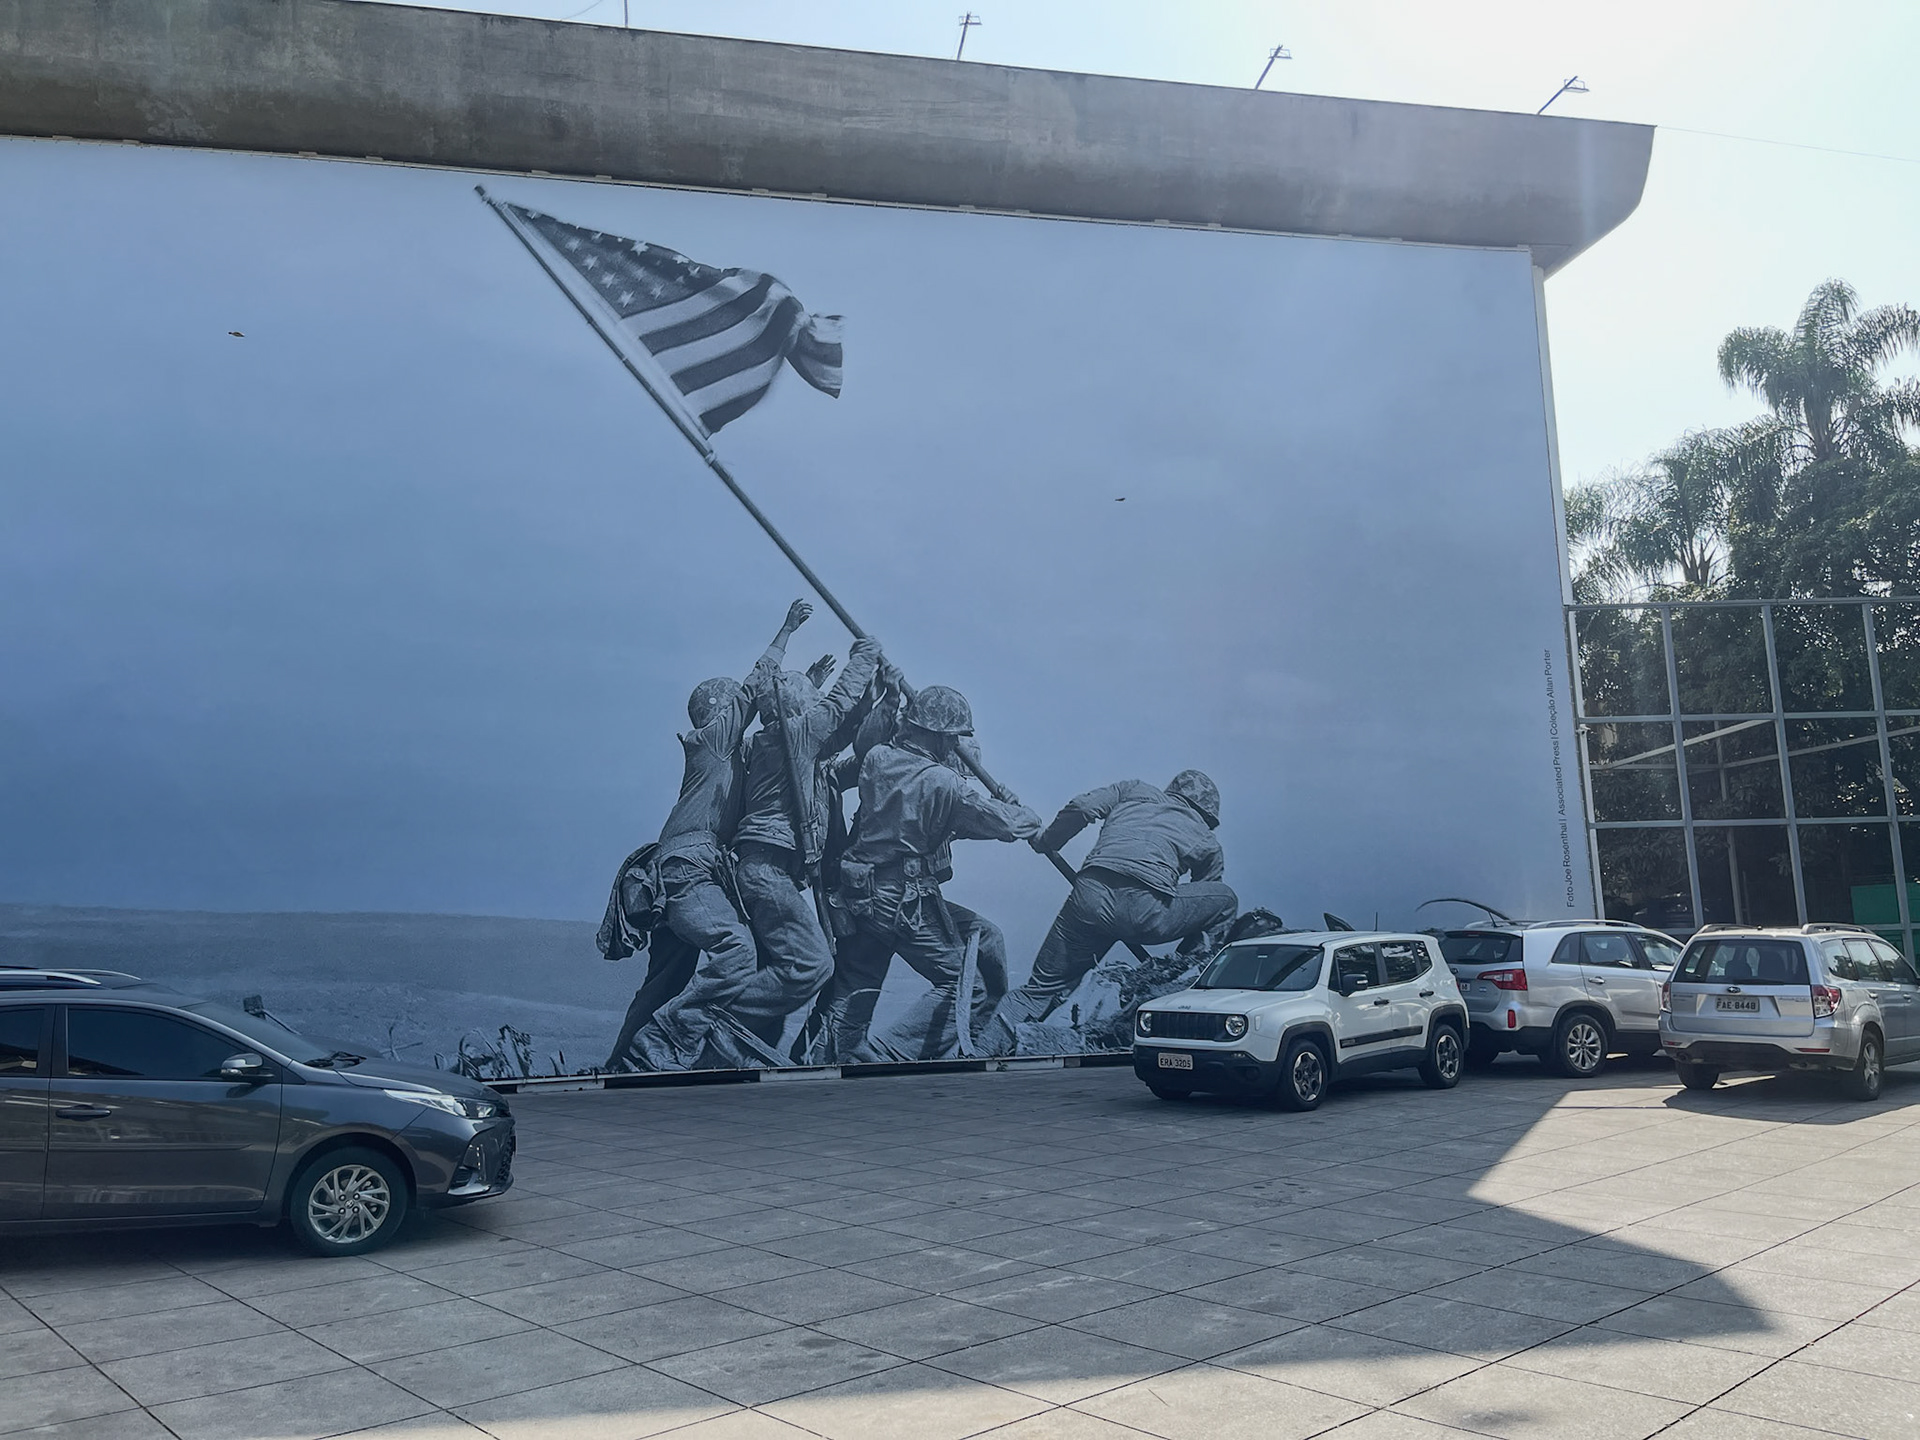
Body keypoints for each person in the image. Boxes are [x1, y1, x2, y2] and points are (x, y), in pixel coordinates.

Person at [611, 600, 812, 1071]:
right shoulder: (712, 743)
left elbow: (779, 719)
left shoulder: (730, 756)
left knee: (665, 981)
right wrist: (786, 632)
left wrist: (809, 685)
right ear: (720, 712)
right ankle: (662, 1045)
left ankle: (621, 1064)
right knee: (737, 950)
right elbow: (755, 685)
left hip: (687, 874)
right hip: (688, 872)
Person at [812, 684, 1040, 1062]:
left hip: (861, 892)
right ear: (936, 734)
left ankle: (826, 1058)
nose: (954, 745)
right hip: (902, 899)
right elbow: (1007, 825)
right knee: (965, 987)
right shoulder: (943, 782)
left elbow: (931, 818)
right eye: (951, 737)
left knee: (855, 985)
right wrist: (1020, 811)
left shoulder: (878, 758)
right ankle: (890, 1055)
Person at [707, 632, 884, 1058]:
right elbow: (837, 706)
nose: (817, 703)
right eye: (810, 699)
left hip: (765, 871)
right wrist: (864, 657)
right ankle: (717, 1021)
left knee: (781, 967)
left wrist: (876, 694)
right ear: (798, 709)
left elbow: (844, 729)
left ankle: (728, 1051)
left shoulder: (775, 744)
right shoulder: (795, 736)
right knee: (812, 964)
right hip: (767, 871)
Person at [983, 770, 1236, 1051]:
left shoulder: (1134, 789)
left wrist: (1047, 842)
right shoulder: (1207, 840)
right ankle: (1186, 975)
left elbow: (1082, 807)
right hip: (1146, 912)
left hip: (1089, 900)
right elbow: (1204, 900)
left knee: (1038, 990)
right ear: (1207, 814)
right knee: (1225, 899)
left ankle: (979, 1052)